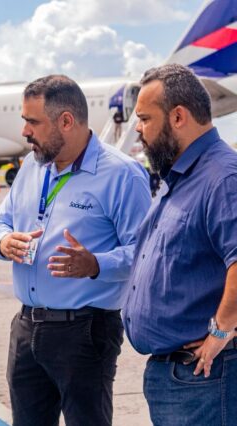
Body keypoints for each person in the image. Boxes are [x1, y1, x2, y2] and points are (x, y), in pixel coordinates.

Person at [0, 75, 151, 426]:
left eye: (33, 122)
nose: (25, 132)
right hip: (27, 327)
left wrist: (95, 265)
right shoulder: (32, 166)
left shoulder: (123, 175)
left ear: (66, 121)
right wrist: (3, 242)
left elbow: (145, 254)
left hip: (85, 331)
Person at [123, 64, 237, 426]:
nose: (138, 130)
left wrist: (220, 332)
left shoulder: (222, 177)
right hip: (177, 378)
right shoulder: (182, 176)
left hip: (204, 377)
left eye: (144, 118)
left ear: (177, 116)